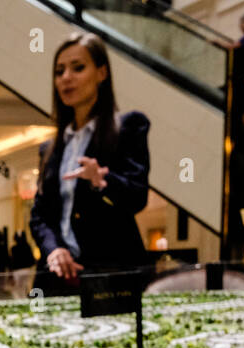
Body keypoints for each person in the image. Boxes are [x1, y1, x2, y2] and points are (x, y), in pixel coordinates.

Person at [29, 34, 151, 296]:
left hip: (110, 278)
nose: (66, 78)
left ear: (101, 72)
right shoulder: (49, 149)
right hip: (56, 280)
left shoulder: (128, 128)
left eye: (78, 67)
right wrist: (54, 249)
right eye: (59, 71)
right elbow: (39, 214)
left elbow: (137, 198)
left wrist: (102, 183)